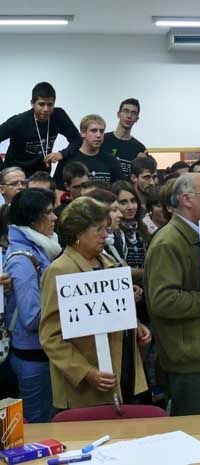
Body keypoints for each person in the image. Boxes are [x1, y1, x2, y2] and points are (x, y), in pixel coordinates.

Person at [39, 197, 150, 409]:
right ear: (78, 233)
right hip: (88, 386)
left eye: (106, 228)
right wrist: (85, 372)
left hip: (124, 374)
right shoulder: (60, 270)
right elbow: (50, 336)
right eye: (98, 229)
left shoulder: (107, 263)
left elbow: (113, 311)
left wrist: (135, 325)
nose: (105, 235)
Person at [144, 173, 200, 415]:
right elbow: (163, 301)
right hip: (191, 361)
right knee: (199, 437)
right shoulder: (168, 242)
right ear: (187, 200)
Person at [5, 189, 60, 422]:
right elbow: (31, 318)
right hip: (32, 356)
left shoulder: (41, 249)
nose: (55, 217)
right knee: (40, 425)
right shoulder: (23, 259)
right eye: (48, 213)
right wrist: (71, 309)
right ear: (32, 219)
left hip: (42, 352)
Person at [0, 82, 81, 177]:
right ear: (32, 104)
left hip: (42, 174)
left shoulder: (59, 116)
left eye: (50, 104)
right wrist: (3, 169)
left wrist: (62, 153)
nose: (46, 109)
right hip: (16, 174)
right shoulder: (18, 122)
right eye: (41, 104)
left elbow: (77, 139)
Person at [55, 114, 125, 189]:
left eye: (101, 131)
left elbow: (121, 189)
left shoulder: (111, 161)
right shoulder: (68, 160)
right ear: (83, 133)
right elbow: (58, 190)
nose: (98, 135)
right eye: (94, 131)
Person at [102, 98, 146, 177]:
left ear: (137, 119)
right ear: (118, 114)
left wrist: (142, 163)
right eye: (126, 111)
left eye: (133, 113)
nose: (129, 116)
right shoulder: (103, 140)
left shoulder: (139, 149)